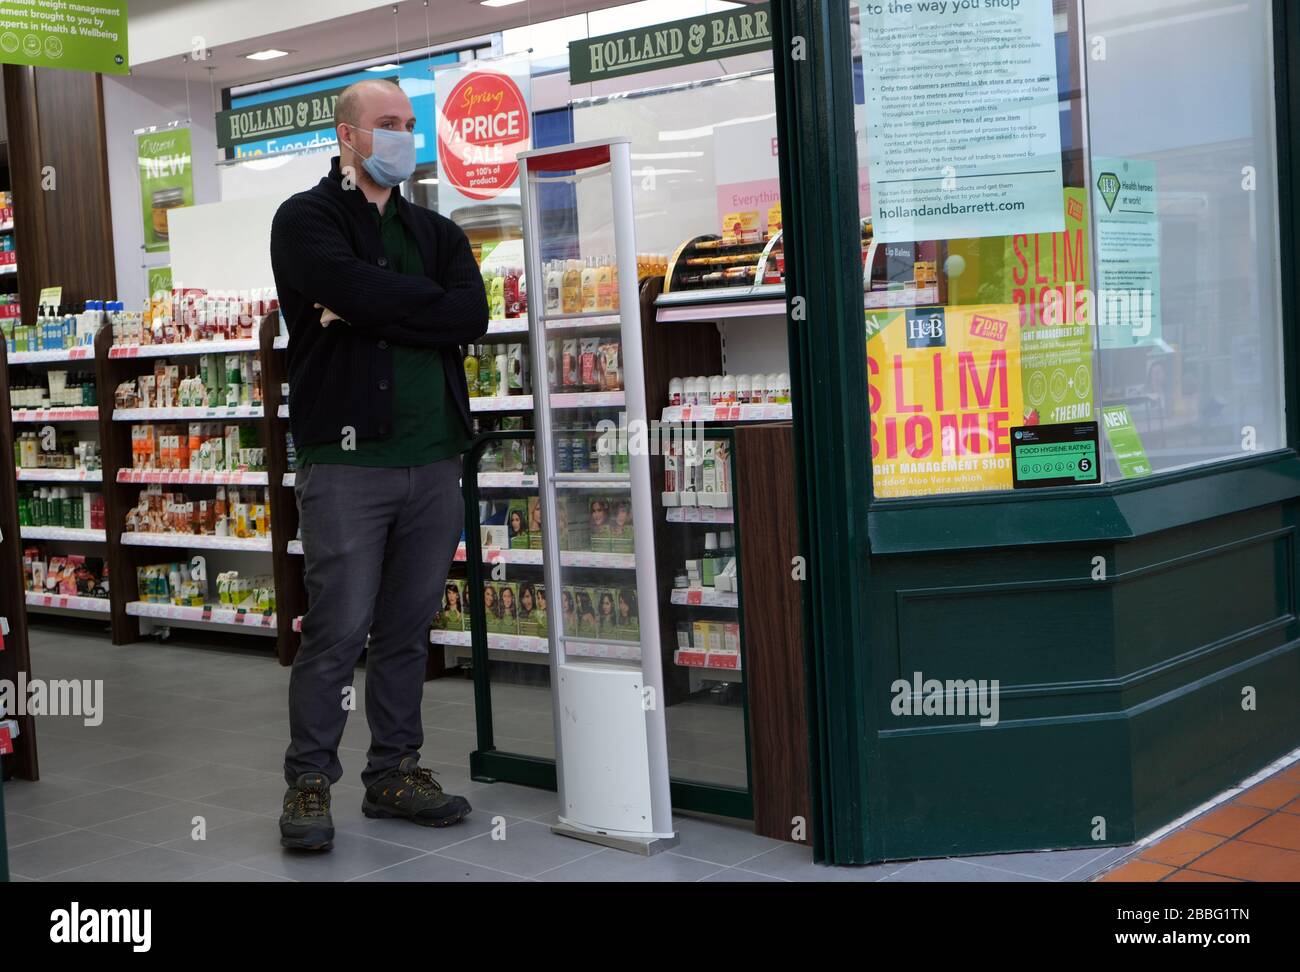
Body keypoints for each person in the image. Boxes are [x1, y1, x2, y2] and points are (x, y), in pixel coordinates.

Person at [269, 78, 486, 851]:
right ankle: (308, 781)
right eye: (386, 124)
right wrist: (382, 301)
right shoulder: (304, 220)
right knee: (336, 626)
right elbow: (343, 284)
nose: (403, 135)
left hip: (434, 460)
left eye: (409, 123)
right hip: (348, 463)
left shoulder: (438, 231)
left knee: (406, 628)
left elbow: (473, 313)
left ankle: (395, 770)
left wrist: (369, 306)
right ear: (349, 136)